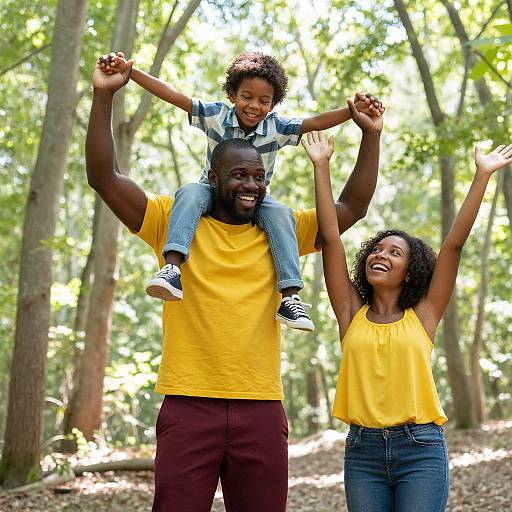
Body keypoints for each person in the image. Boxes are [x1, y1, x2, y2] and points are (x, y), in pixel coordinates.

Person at [86, 56, 383, 511]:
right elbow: (104, 177)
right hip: (188, 404)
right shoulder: (173, 220)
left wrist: (370, 135)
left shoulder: (281, 230)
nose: (251, 185)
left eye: (259, 177)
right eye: (239, 175)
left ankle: (292, 301)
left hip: (260, 406)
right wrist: (105, 95)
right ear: (212, 177)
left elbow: (352, 207)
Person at [98, 50, 384, 332]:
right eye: (247, 97)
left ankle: (290, 296)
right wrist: (132, 73)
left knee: (282, 213)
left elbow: (317, 121)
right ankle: (173, 266)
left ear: (273, 104)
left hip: (256, 201)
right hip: (209, 191)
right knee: (188, 193)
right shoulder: (216, 116)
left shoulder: (277, 128)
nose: (254, 106)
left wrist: (352, 112)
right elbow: (175, 96)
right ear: (232, 94)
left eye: (264, 101)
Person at [304, 130, 512, 512]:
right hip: (362, 452)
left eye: (394, 252)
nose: (380, 254)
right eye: (377, 248)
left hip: (421, 450)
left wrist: (482, 175)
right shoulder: (351, 314)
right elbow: (331, 240)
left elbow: (453, 245)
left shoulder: (425, 314)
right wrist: (321, 166)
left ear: (411, 268)